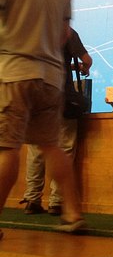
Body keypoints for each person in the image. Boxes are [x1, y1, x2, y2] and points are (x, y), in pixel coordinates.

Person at [0, 0, 85, 238]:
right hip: (51, 79)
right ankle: (72, 214)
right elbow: (64, 35)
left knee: (6, 147)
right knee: (52, 146)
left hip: (14, 73)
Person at [21, 27, 93, 215]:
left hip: (36, 98)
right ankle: (56, 201)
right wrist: (83, 67)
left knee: (36, 151)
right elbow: (87, 60)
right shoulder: (66, 31)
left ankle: (32, 199)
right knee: (64, 148)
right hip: (61, 97)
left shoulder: (33, 30)